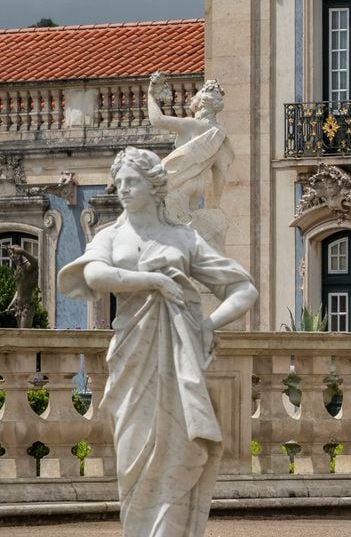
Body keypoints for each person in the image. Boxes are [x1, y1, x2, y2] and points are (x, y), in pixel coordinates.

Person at [57, 148, 256, 537]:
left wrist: (208, 325)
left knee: (179, 453)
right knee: (132, 456)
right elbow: (95, 276)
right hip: (131, 360)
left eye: (132, 182)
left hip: (178, 361)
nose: (123, 189)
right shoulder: (110, 235)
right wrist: (156, 281)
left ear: (154, 186)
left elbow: (244, 289)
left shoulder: (184, 238)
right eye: (120, 182)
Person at [146, 72, 233, 248]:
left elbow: (157, 120)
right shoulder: (220, 135)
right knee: (189, 238)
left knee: (168, 239)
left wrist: (150, 96)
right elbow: (220, 173)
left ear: (200, 103)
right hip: (196, 188)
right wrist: (214, 206)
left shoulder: (192, 125)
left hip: (177, 185)